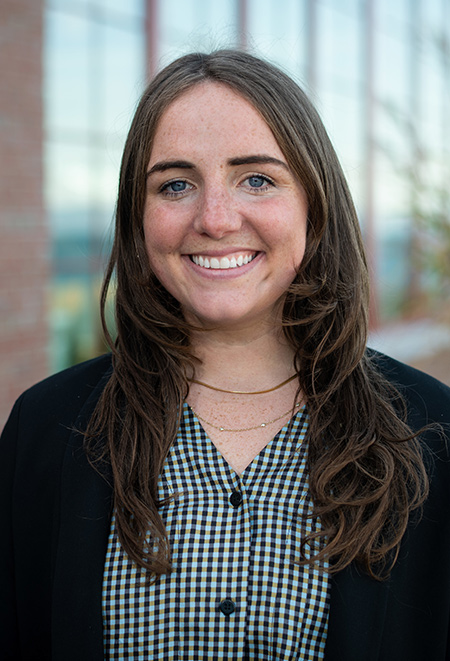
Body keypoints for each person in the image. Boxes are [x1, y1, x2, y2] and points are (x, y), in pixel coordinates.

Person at [1, 50, 449, 661]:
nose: (214, 219)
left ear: (314, 206)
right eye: (176, 184)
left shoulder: (433, 434)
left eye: (257, 178)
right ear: (139, 216)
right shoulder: (44, 431)